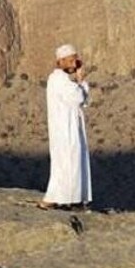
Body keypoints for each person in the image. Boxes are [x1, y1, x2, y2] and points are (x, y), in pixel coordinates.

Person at [38, 44, 92, 211]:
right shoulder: (59, 79)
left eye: (75, 60)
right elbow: (78, 98)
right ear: (60, 61)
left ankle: (70, 198)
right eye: (70, 60)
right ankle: (66, 199)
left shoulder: (63, 79)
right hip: (65, 129)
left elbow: (81, 100)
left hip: (68, 127)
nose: (74, 63)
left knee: (70, 163)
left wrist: (79, 82)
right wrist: (81, 80)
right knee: (68, 163)